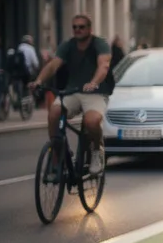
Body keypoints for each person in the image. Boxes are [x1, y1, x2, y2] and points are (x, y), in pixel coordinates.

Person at [31, 16, 114, 174]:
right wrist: (39, 81)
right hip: (72, 91)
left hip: (95, 92)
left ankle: (97, 151)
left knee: (92, 121)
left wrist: (94, 82)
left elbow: (103, 66)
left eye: (81, 27)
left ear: (89, 29)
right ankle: (58, 154)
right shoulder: (68, 45)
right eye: (75, 27)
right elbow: (54, 65)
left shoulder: (100, 44)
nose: (77, 30)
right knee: (54, 113)